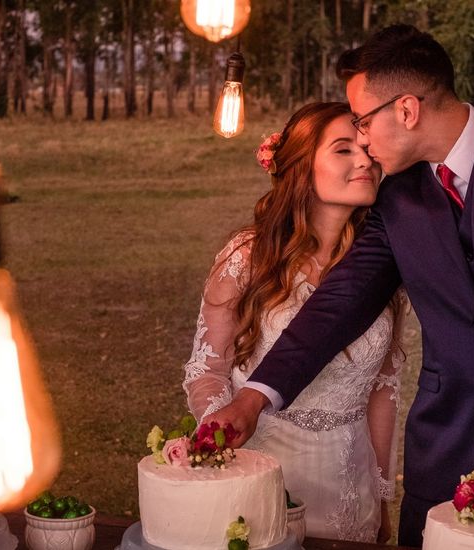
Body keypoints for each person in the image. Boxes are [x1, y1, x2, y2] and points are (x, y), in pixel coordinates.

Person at [205, 25, 474, 546]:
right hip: (445, 451)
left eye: (364, 122)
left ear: (407, 110)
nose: (363, 140)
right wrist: (255, 397)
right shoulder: (399, 196)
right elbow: (340, 302)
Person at [183, 101, 409, 543]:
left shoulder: (386, 270)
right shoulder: (248, 257)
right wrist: (222, 445)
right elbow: (206, 371)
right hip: (260, 471)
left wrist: (382, 499)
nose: (365, 159)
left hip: (350, 489)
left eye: (366, 149)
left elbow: (384, 390)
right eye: (343, 150)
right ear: (302, 167)